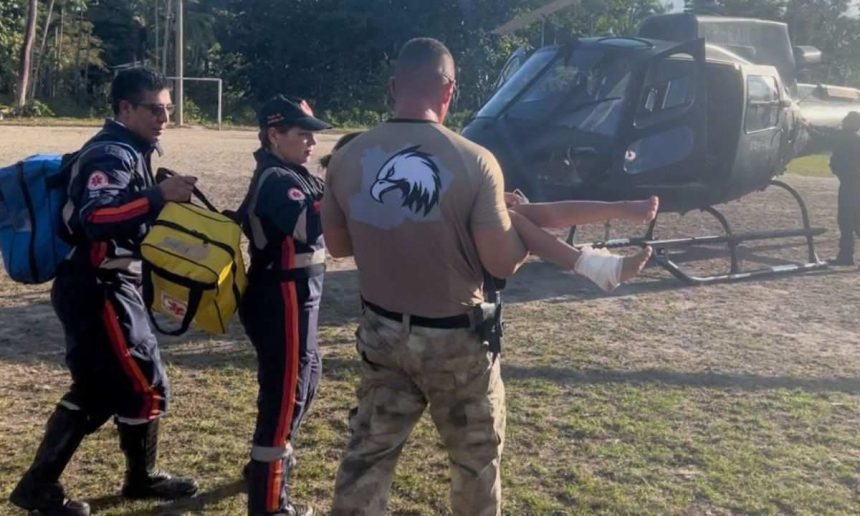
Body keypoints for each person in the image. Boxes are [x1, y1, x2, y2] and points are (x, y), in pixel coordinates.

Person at [322, 38, 651, 516]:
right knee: (474, 461)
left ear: (394, 87)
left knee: (368, 455)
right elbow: (499, 263)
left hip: (383, 332)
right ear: (449, 92)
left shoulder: (348, 157)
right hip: (455, 341)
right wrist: (518, 230)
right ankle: (592, 264)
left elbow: (338, 245)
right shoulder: (475, 161)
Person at [9, 68, 199, 515]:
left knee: (107, 385)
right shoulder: (111, 153)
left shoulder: (131, 148)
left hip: (106, 285)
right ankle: (58, 486)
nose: (164, 119)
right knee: (136, 381)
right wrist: (157, 196)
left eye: (168, 109)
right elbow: (96, 219)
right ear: (125, 109)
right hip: (98, 289)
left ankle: (126, 478)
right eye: (155, 109)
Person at [237, 95, 332, 516]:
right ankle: (269, 505)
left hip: (298, 298)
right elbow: (310, 226)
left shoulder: (295, 173)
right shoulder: (277, 178)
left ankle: (265, 466)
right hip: (281, 298)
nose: (311, 142)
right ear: (274, 135)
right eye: (302, 134)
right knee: (282, 396)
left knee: (305, 380)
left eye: (313, 134)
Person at [828, 111, 860, 266]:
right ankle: (846, 255)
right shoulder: (853, 137)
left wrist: (809, 128)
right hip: (852, 183)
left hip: (851, 185)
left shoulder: (848, 138)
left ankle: (846, 256)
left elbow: (826, 137)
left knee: (848, 220)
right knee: (852, 220)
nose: (843, 122)